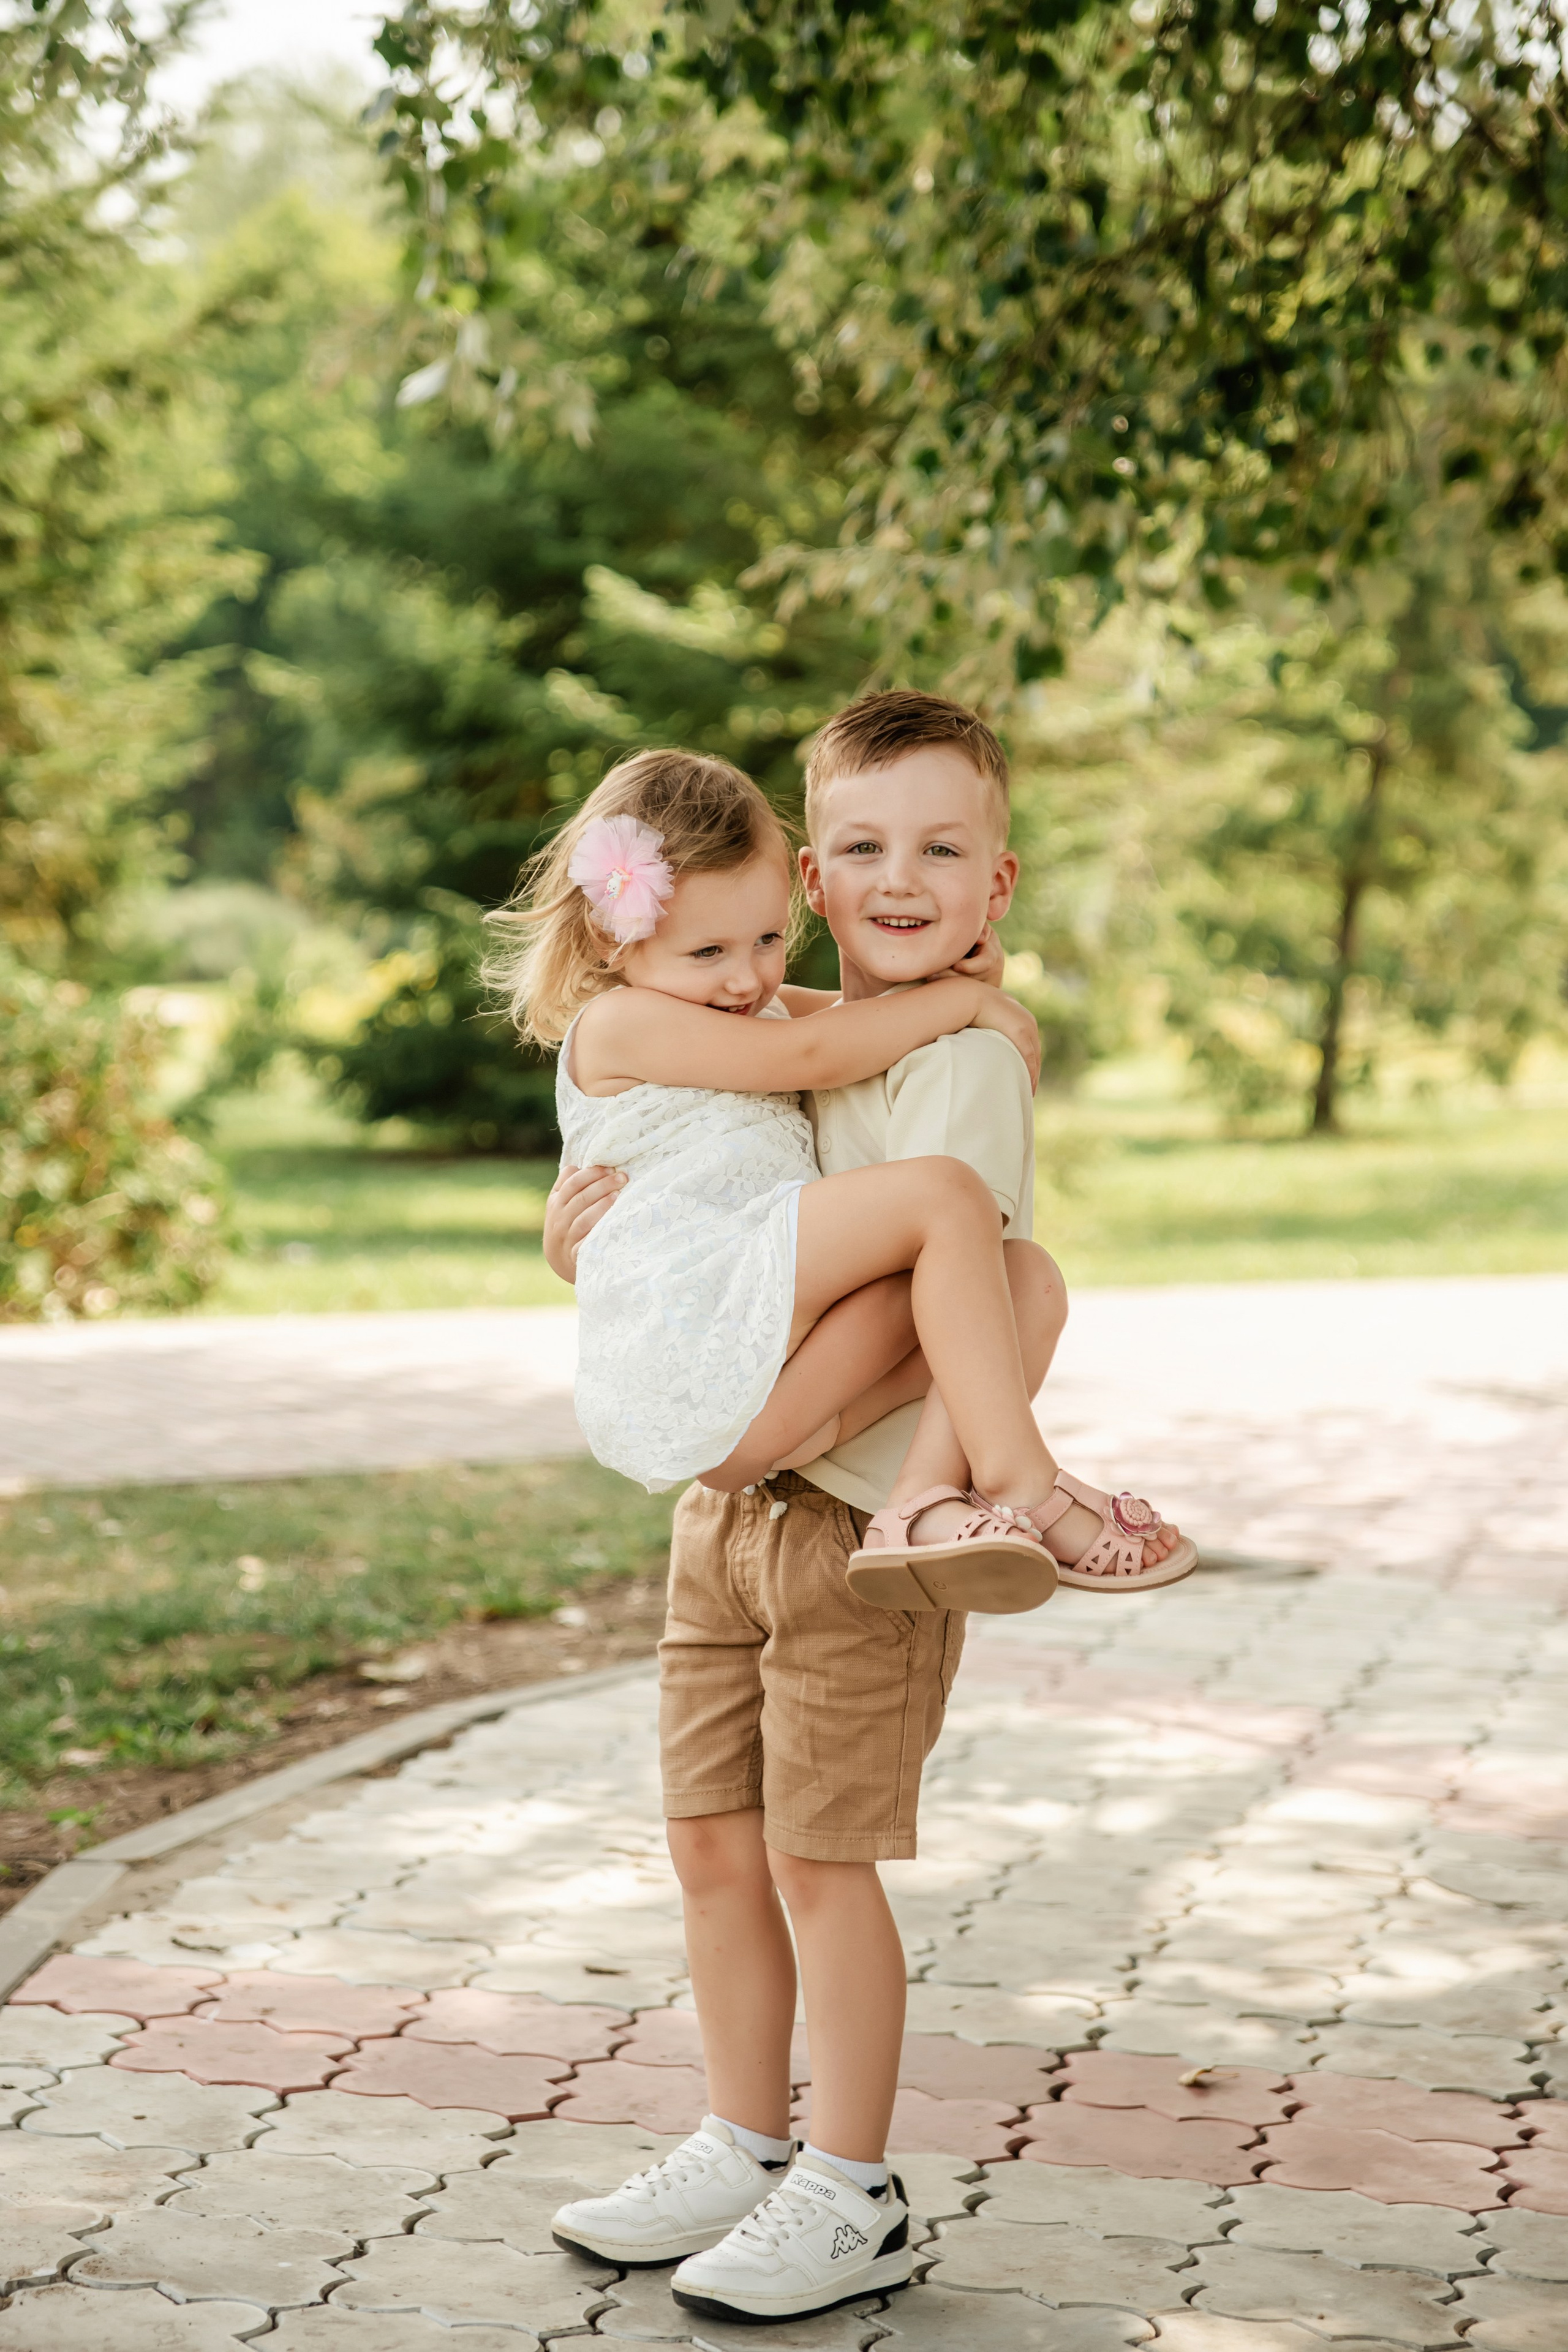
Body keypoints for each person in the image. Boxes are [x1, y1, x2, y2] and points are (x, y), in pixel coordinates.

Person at [522, 706, 1194, 2325]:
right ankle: (745, 2141)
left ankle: (854, 2186)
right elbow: (762, 1099)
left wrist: (797, 1423)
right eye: (867, 856)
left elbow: (977, 1288)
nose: (755, 973)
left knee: (824, 1862)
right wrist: (573, 1241)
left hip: (841, 1526)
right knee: (712, 1846)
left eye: (943, 852)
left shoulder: (948, 1056)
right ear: (823, 876)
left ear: (998, 881)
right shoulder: (798, 1018)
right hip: (728, 1517)